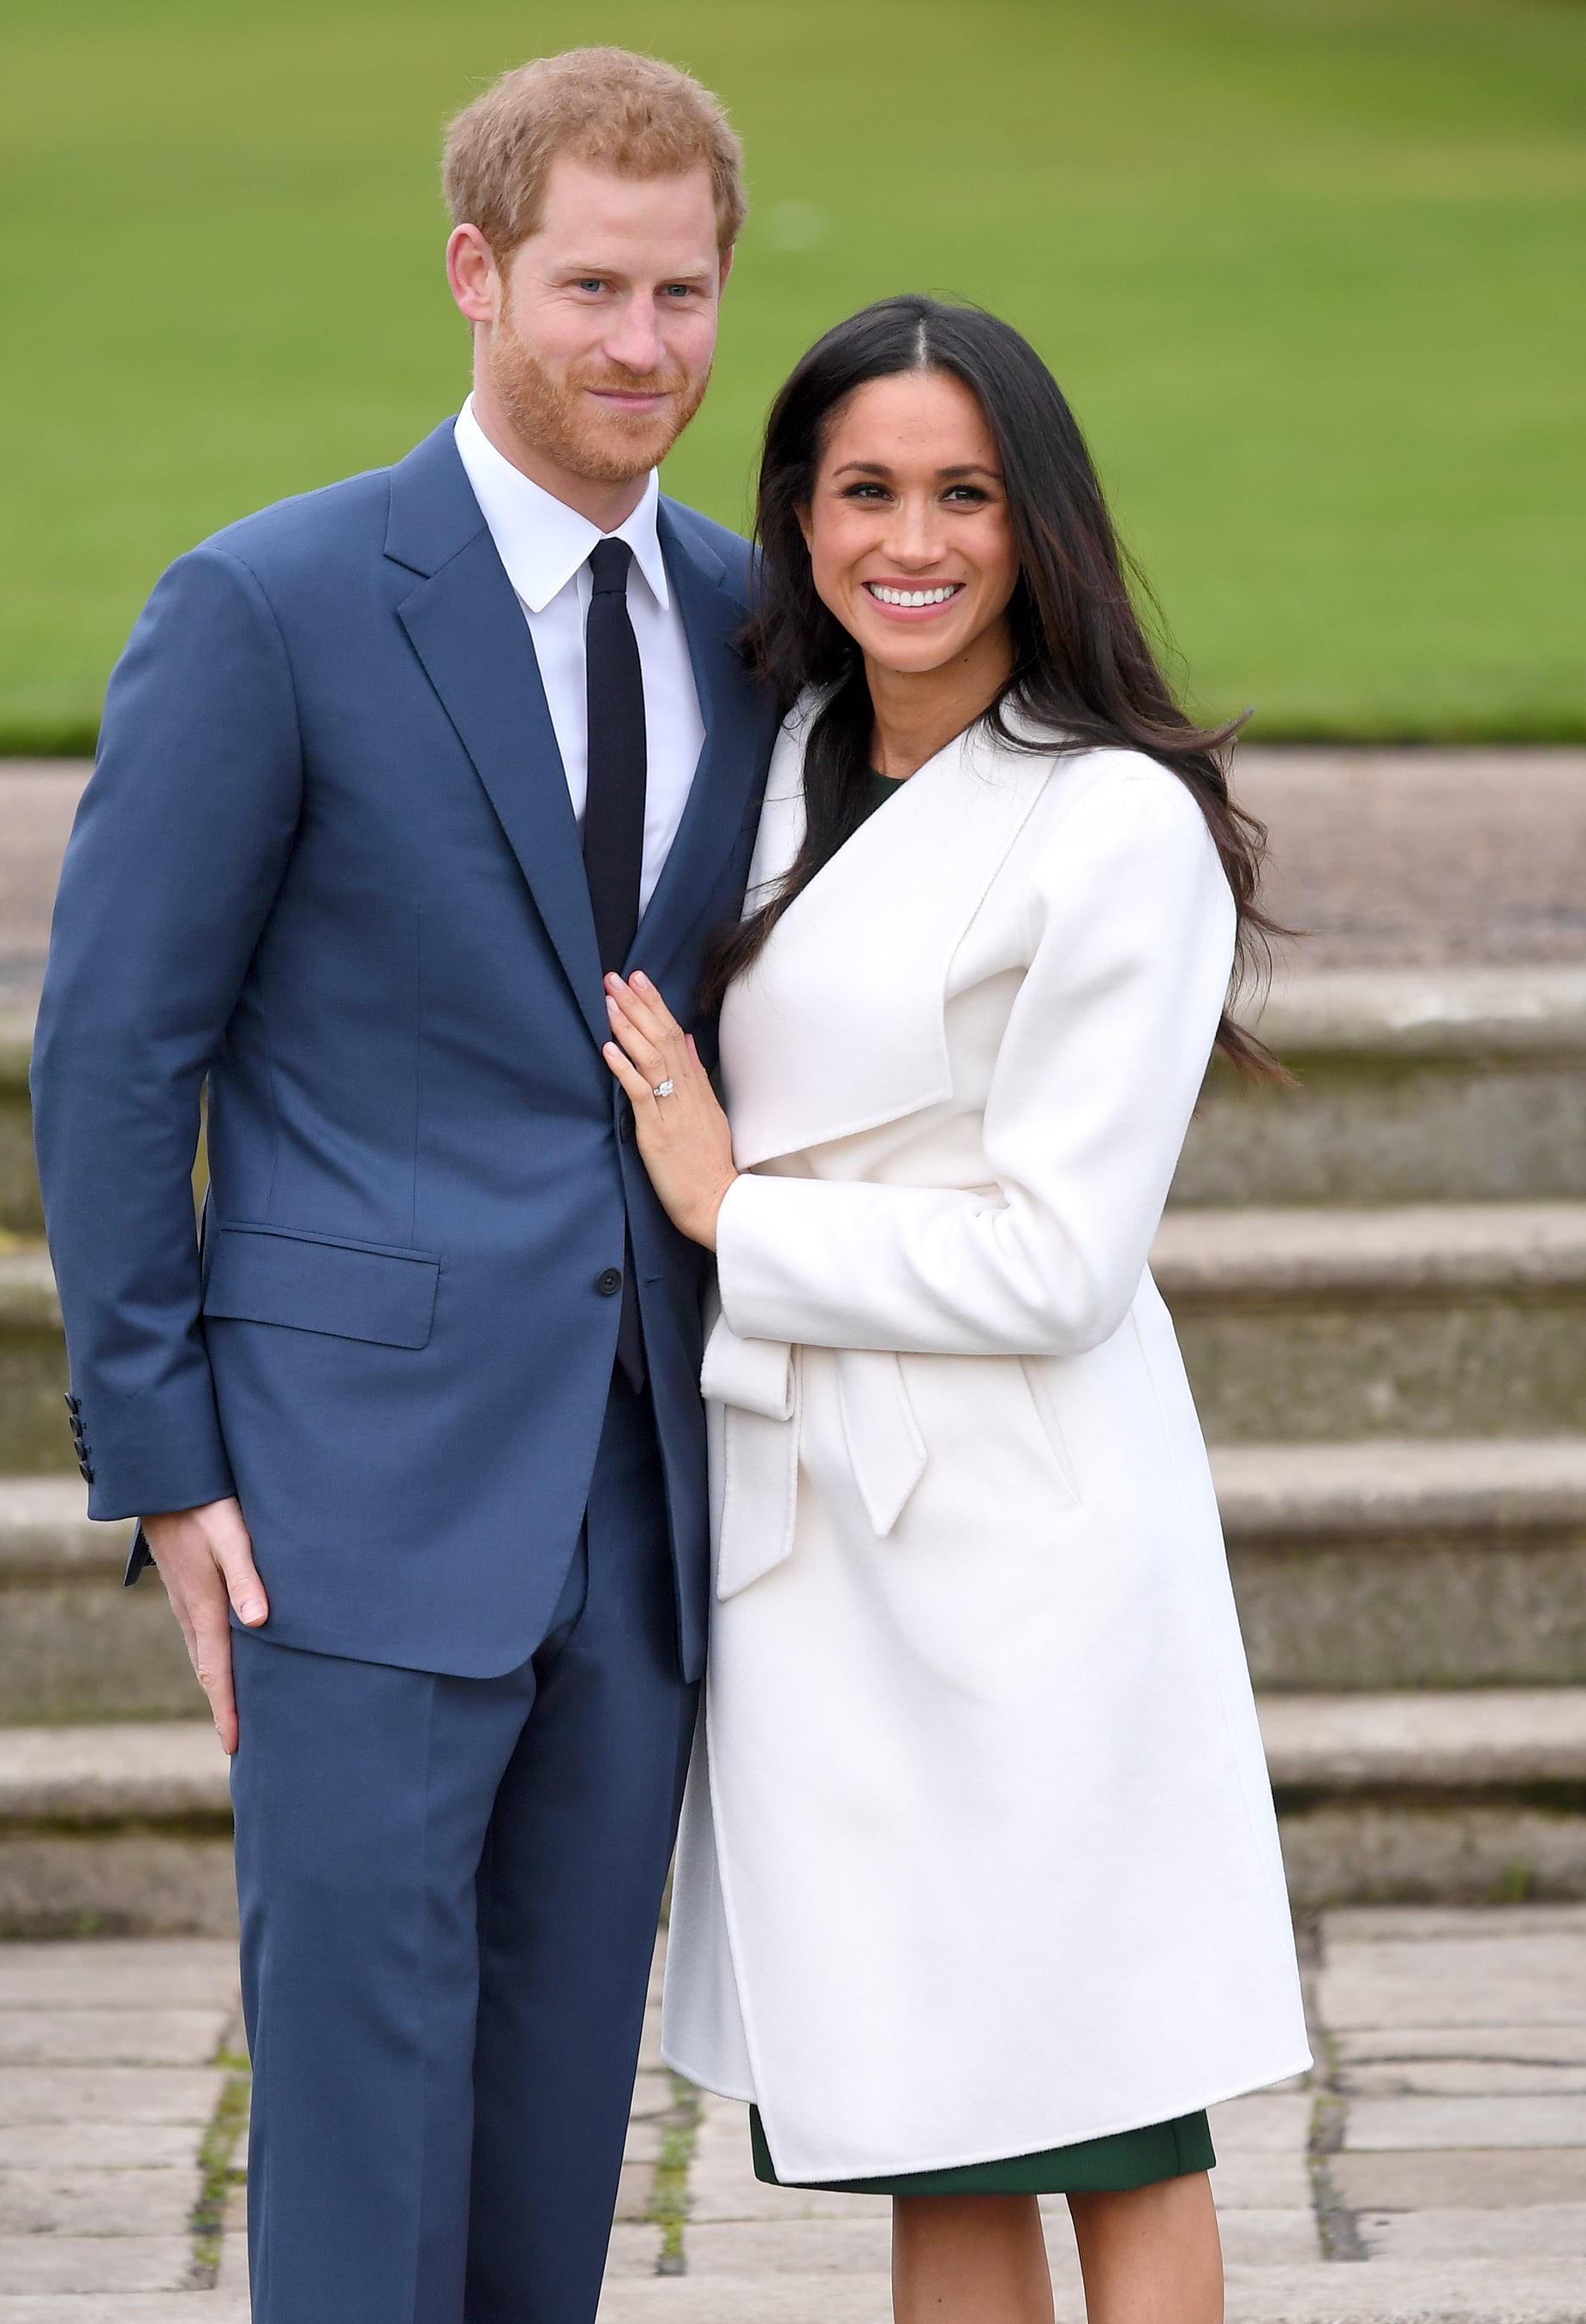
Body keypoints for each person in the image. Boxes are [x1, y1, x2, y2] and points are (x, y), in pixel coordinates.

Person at [31, 48, 776, 2324]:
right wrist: (164, 1463)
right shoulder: (270, 607)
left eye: (683, 293)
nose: (642, 345)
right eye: (590, 289)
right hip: (342, 1500)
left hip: (644, 1497)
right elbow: (111, 1050)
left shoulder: (767, 624)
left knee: (559, 2129)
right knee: (358, 2136)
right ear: (475, 276)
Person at [601, 295, 1311, 2324]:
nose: (910, 540)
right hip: (817, 1542)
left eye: (963, 493)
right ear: (799, 516)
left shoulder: (1110, 821)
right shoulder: (785, 756)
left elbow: (1054, 1259)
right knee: (931, 2116)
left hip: (1020, 1541)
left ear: (1036, 522)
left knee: (1105, 2102)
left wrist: (741, 1214)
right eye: (862, 491)